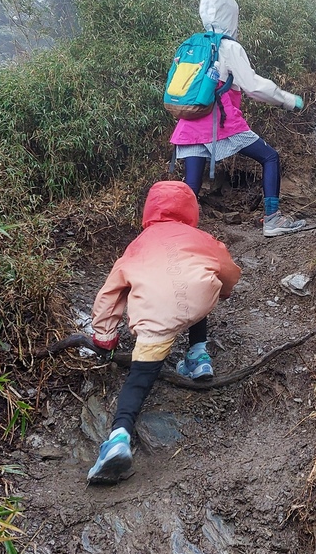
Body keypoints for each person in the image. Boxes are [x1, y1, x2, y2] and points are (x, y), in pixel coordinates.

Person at [87, 180, 241, 485]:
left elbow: (110, 294)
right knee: (200, 286)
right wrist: (223, 291)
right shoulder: (200, 237)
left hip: (155, 319)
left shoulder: (137, 246)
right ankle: (199, 357)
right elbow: (228, 269)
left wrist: (105, 338)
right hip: (196, 299)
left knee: (139, 380)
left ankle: (118, 438)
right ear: (191, 211)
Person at [170, 0, 307, 237]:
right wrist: (287, 99)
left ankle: (179, 237)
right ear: (231, 16)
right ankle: (272, 219)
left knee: (191, 185)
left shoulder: (190, 44)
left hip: (188, 122)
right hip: (220, 122)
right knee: (269, 157)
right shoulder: (229, 47)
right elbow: (252, 87)